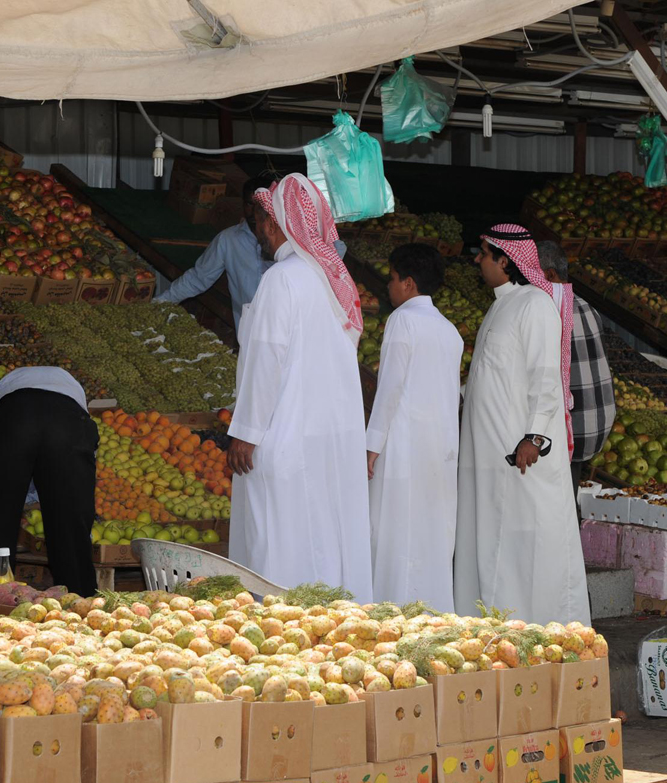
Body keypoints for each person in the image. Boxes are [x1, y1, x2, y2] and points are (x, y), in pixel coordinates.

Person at [226, 173, 372, 601]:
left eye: (260, 221)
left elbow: (265, 359)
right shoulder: (332, 281)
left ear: (275, 223)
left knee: (279, 542)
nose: (258, 231)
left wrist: (246, 431)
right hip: (330, 440)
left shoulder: (283, 278)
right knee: (324, 540)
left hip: (284, 434)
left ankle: (284, 625)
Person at [454, 224, 590, 625]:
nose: (477, 260)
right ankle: (489, 622)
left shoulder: (535, 305)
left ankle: (541, 626)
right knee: (492, 539)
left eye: (484, 253)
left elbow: (546, 378)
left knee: (528, 546)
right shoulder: (500, 306)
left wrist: (534, 436)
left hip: (522, 452)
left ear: (506, 260)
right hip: (489, 453)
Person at [365, 244, 463, 612]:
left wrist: (372, 444)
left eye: (392, 279)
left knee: (395, 530)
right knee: (431, 532)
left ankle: (393, 610)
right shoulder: (450, 331)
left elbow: (389, 388)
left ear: (408, 283)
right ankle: (432, 611)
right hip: (440, 448)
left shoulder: (403, 320)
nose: (389, 286)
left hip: (403, 444)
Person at [0, 366, 97, 595]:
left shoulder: (0, 403)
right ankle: (79, 603)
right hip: (66, 422)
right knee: (71, 536)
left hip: (14, 416)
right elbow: (77, 500)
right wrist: (79, 534)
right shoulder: (74, 402)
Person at [154, 174, 348, 334]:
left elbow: (336, 252)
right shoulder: (229, 240)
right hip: (250, 337)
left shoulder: (294, 243)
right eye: (249, 204)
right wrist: (159, 303)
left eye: (260, 206)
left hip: (291, 336)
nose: (254, 212)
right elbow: (198, 278)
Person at [537, 240, 615, 498]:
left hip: (569, 430)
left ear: (549, 275)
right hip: (594, 427)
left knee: (551, 505)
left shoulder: (548, 311)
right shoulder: (586, 307)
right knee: (565, 500)